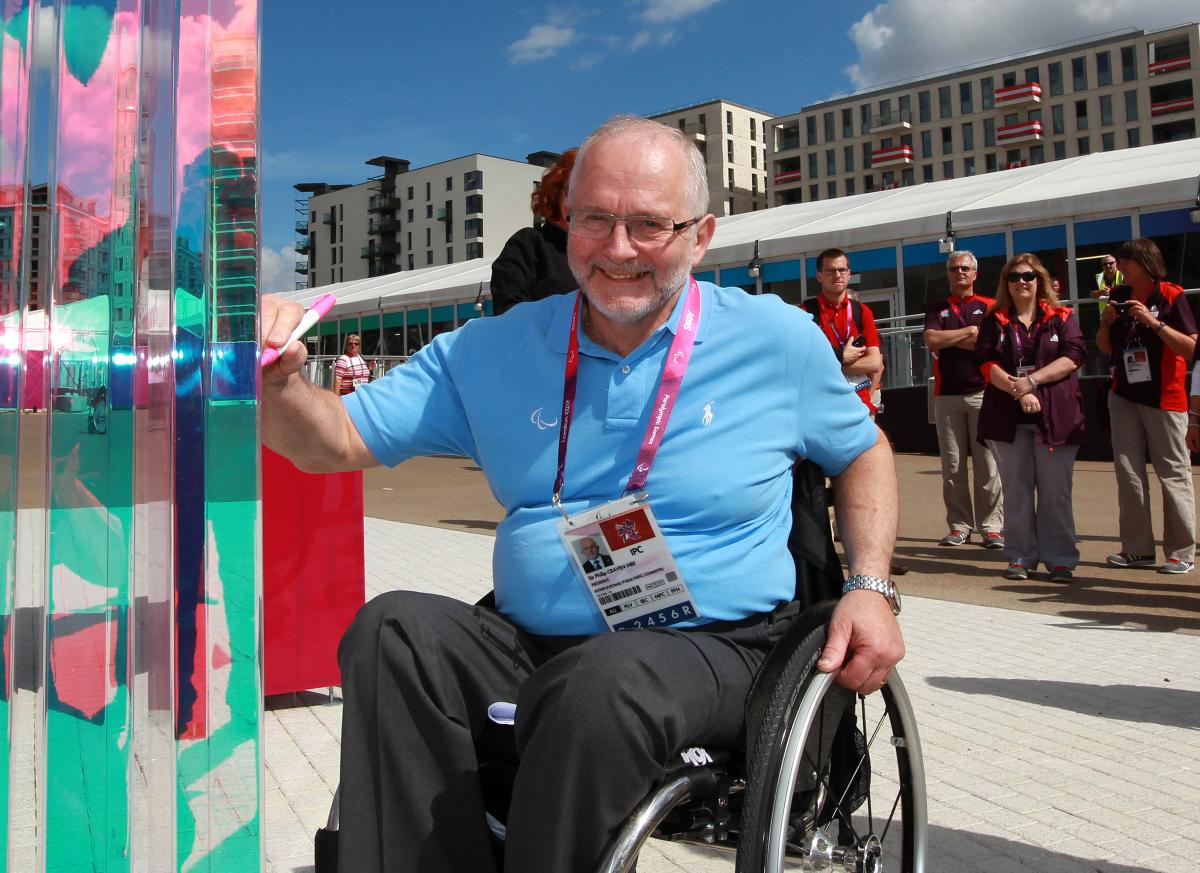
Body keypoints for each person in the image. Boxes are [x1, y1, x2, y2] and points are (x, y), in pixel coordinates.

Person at [260, 116, 905, 873]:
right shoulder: (492, 348)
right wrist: (278, 381)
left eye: (648, 224)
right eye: (595, 218)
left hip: (717, 648)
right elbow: (330, 438)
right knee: (391, 631)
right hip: (534, 644)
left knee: (603, 682)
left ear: (700, 237)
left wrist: (870, 588)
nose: (617, 247)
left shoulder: (774, 340)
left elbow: (864, 449)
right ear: (566, 222)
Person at [974, 254, 1086, 581]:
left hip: (1057, 417)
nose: (1022, 282)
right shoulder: (994, 321)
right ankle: (1020, 556)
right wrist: (1019, 390)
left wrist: (1033, 381)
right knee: (1017, 491)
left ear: (1040, 280)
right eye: (1014, 277)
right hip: (1007, 419)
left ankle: (1061, 559)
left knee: (1055, 492)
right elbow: (985, 363)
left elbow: (1074, 356)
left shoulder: (1062, 317)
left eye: (1028, 276)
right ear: (1005, 284)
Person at [1097, 238, 1197, 574]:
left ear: (1142, 261)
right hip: (1124, 394)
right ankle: (1137, 549)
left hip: (1165, 397)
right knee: (1129, 473)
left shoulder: (1171, 295)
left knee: (1173, 473)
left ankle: (1181, 552)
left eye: (1124, 260)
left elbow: (1191, 348)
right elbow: (1104, 347)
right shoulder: (1119, 295)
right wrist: (1106, 323)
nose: (1119, 266)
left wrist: (1155, 322)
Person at [923, 250, 1004, 550]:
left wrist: (954, 338)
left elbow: (989, 345)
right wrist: (969, 332)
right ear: (948, 273)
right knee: (953, 467)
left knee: (988, 466)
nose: (960, 273)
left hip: (983, 393)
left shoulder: (990, 306)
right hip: (946, 396)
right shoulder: (936, 308)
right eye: (955, 268)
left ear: (975, 274)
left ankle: (992, 527)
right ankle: (959, 526)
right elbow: (932, 340)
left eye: (965, 268)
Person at [489, 148, 579, 315]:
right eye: (573, 192)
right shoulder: (530, 244)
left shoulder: (609, 248)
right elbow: (509, 313)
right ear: (556, 195)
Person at [801, 248, 884, 416]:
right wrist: (842, 357)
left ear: (849, 273)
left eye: (842, 270)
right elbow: (805, 362)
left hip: (860, 403)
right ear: (819, 276)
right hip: (823, 404)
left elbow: (875, 363)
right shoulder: (806, 312)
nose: (837, 275)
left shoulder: (862, 311)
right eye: (831, 271)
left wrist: (831, 365)